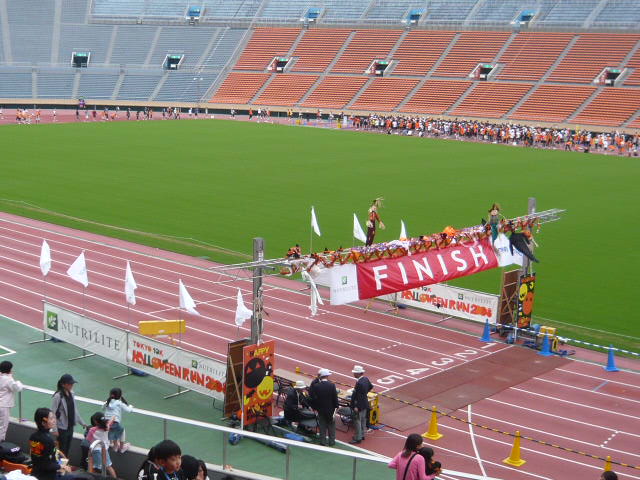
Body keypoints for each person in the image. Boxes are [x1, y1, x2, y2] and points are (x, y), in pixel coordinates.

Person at [30, 407, 72, 480]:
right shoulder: (48, 440)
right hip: (48, 476)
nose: (54, 421)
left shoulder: (33, 437)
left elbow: (38, 458)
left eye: (54, 418)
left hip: (35, 473)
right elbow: (46, 465)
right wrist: (62, 466)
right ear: (43, 422)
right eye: (51, 418)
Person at [51, 373, 87, 457]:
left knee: (67, 448)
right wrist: (54, 429)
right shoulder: (58, 396)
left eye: (72, 383)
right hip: (61, 428)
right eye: (69, 384)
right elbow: (52, 413)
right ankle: (59, 466)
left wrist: (82, 423)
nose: (71, 385)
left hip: (70, 426)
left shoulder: (72, 393)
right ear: (63, 384)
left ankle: (64, 464)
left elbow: (75, 410)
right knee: (61, 449)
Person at [309, 368, 338, 446]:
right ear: (327, 376)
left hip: (321, 409)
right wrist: (336, 407)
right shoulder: (332, 385)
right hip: (330, 409)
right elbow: (334, 397)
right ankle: (332, 442)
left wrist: (315, 407)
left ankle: (323, 441)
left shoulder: (316, 386)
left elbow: (314, 398)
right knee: (331, 426)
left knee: (322, 426)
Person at [86, 412, 117, 478]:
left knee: (93, 466)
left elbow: (88, 439)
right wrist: (113, 416)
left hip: (96, 450)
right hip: (104, 450)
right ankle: (115, 478)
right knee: (108, 466)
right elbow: (111, 420)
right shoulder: (107, 426)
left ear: (96, 422)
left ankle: (89, 478)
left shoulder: (92, 430)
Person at [104, 387, 133, 452]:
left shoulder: (107, 402)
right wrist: (131, 406)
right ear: (120, 395)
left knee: (115, 431)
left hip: (106, 422)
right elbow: (129, 410)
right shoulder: (119, 403)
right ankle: (121, 448)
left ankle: (115, 445)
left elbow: (103, 407)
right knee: (122, 430)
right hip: (114, 422)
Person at [0, 361, 23, 441]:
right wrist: (19, 382)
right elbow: (17, 388)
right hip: (4, 406)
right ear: (9, 370)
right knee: (3, 427)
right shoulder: (8, 379)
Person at [349, 365, 373, 444]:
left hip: (359, 405)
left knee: (357, 421)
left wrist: (356, 406)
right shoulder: (365, 379)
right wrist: (364, 394)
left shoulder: (359, 383)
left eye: (355, 373)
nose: (354, 374)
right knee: (363, 420)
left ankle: (357, 437)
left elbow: (358, 396)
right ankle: (362, 435)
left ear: (358, 373)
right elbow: (371, 386)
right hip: (365, 403)